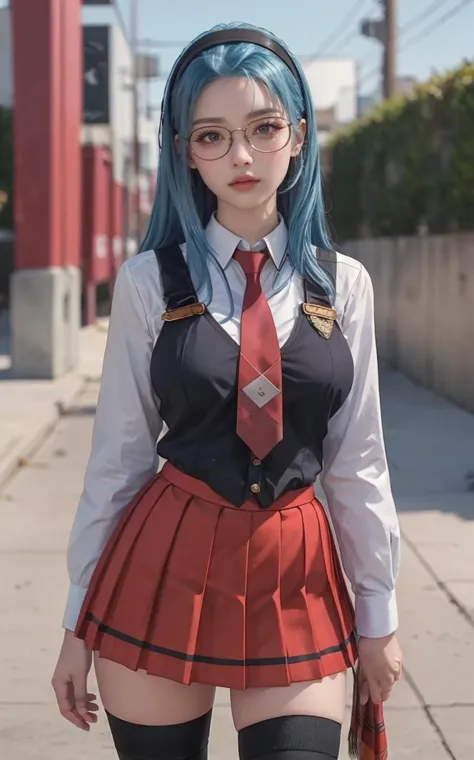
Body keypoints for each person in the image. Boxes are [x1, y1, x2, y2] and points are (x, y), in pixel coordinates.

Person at [51, 23, 402, 760]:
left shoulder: (344, 287)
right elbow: (116, 461)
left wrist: (381, 618)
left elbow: (357, 462)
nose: (241, 156)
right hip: (164, 561)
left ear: (299, 135)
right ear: (184, 151)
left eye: (263, 127)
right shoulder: (151, 283)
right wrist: (76, 623)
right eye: (211, 136)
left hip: (296, 573)